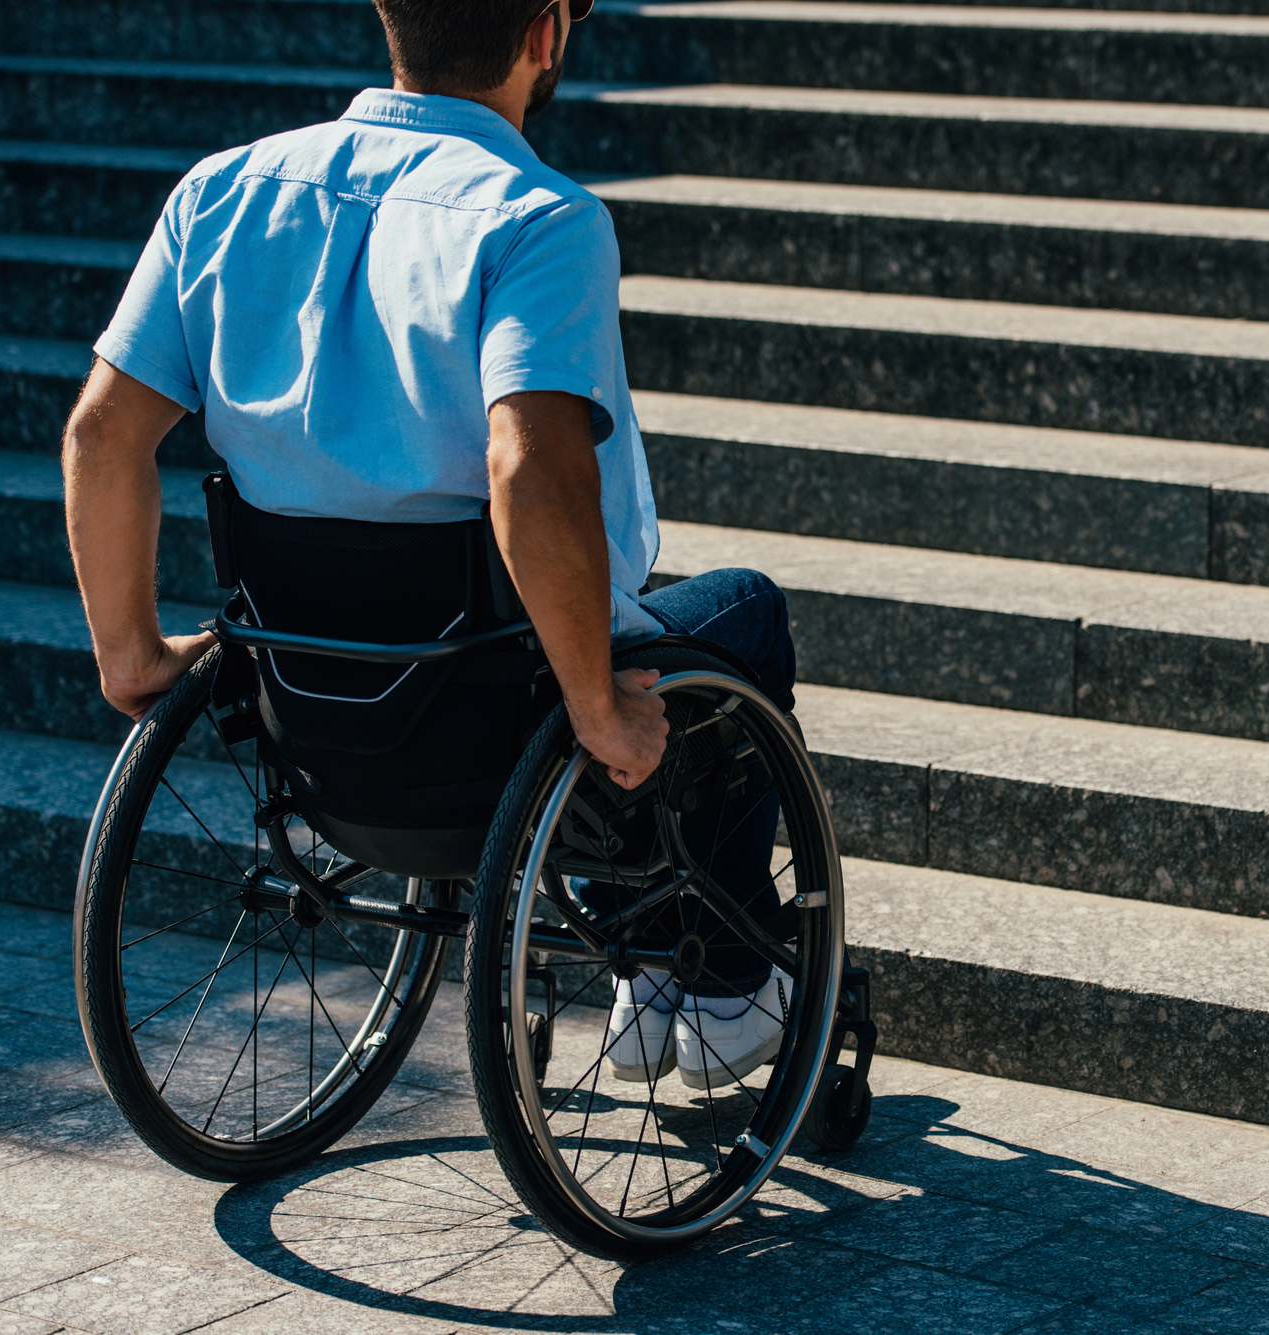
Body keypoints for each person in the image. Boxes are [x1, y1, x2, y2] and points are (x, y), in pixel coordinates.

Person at [60, 0, 795, 1090]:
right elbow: (528, 470)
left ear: (389, 19)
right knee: (739, 611)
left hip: (314, 689)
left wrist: (129, 655)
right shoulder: (537, 217)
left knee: (553, 650)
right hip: (493, 689)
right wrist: (597, 709)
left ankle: (646, 958)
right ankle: (720, 981)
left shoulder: (220, 191)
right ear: (546, 33)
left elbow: (103, 432)